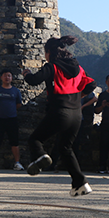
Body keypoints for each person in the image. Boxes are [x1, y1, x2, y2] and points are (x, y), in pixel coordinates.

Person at [22, 36, 95, 196]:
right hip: (76, 115)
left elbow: (34, 80)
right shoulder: (79, 68)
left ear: (49, 52)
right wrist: (79, 96)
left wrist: (26, 74)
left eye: (45, 53)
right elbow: (92, 84)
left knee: (35, 139)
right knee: (65, 148)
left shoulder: (52, 67)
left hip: (60, 112)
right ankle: (81, 183)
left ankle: (41, 157)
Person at [0, 69, 24, 171]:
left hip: (12, 119)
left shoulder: (16, 91)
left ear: (12, 78)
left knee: (14, 142)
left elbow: (19, 104)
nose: (7, 77)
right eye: (5, 75)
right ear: (1, 78)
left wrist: (10, 110)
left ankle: (17, 163)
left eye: (9, 75)